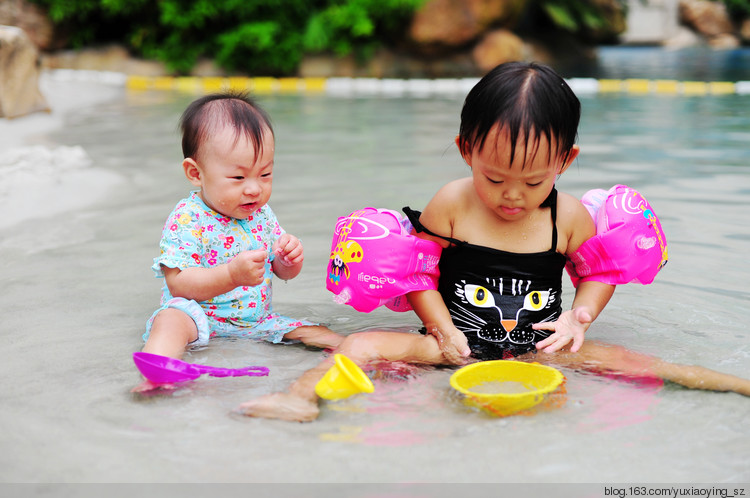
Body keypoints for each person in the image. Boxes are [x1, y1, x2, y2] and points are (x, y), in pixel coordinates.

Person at [238, 62, 750, 421]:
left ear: (565, 162)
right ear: (466, 150)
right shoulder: (452, 205)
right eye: (494, 177)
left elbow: (598, 273)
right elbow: (417, 275)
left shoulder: (568, 217)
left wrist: (578, 318)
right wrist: (441, 331)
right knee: (362, 343)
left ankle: (735, 384)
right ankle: (299, 398)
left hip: (538, 350)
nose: (511, 196)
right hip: (449, 343)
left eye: (533, 182)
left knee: (635, 363)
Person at [134, 92, 343, 392]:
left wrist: (288, 261)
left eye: (266, 174)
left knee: (318, 332)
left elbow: (281, 272)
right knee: (170, 320)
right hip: (198, 317)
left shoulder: (262, 215)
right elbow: (179, 284)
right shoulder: (188, 218)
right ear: (196, 173)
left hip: (257, 321)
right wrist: (232, 275)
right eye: (238, 177)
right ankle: (157, 372)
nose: (254, 189)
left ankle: (363, 355)